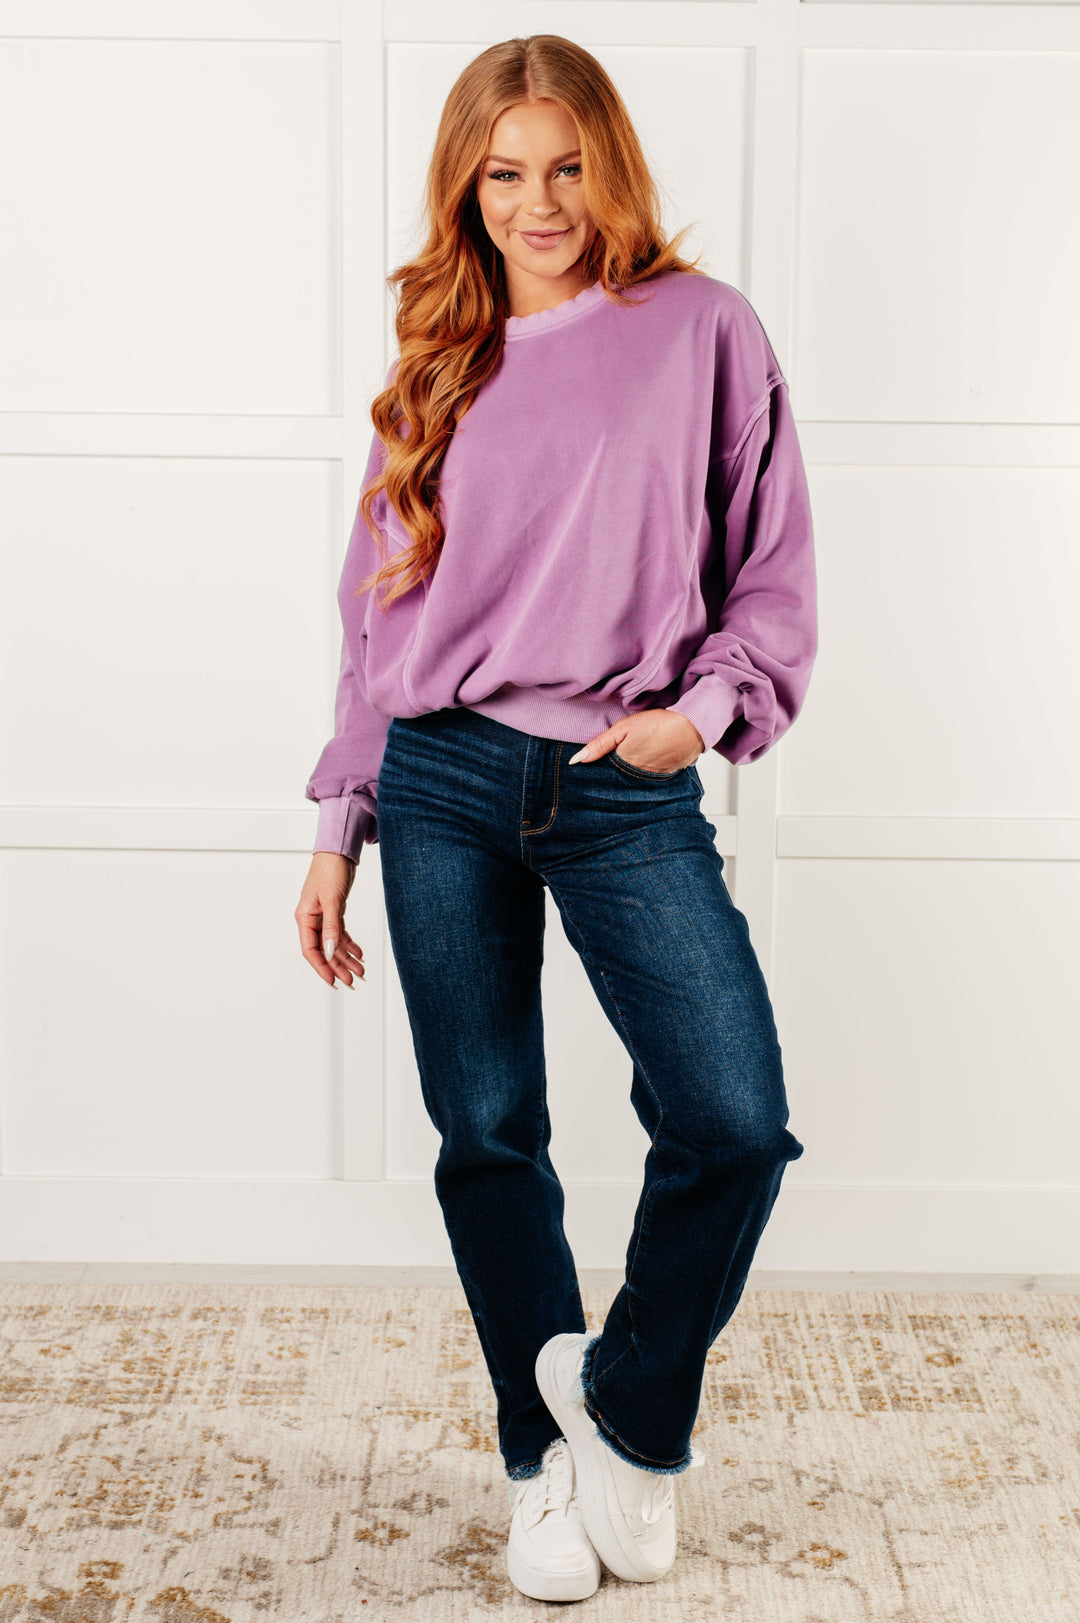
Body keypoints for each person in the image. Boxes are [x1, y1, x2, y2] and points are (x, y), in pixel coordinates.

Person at [294, 34, 816, 1605]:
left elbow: (771, 572)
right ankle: (538, 1465)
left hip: (623, 782)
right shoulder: (438, 360)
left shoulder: (703, 332)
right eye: (505, 174)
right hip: (441, 783)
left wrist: (699, 716)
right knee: (488, 1133)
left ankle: (628, 1417)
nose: (541, 203)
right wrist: (338, 820)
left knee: (734, 1121)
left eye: (568, 167)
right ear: (468, 188)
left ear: (612, 163)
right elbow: (374, 617)